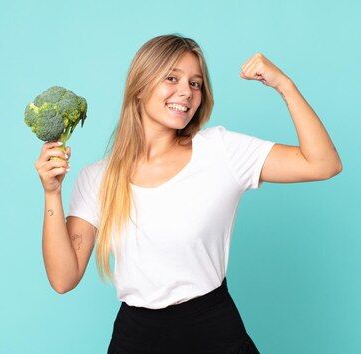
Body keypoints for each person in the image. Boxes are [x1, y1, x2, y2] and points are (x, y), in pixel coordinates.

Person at [34, 34, 342, 353]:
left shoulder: (220, 152)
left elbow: (323, 163)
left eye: (196, 84)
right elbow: (63, 278)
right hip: (135, 340)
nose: (187, 92)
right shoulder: (98, 178)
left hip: (213, 333)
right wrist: (52, 192)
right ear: (139, 86)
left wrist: (284, 85)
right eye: (172, 78)